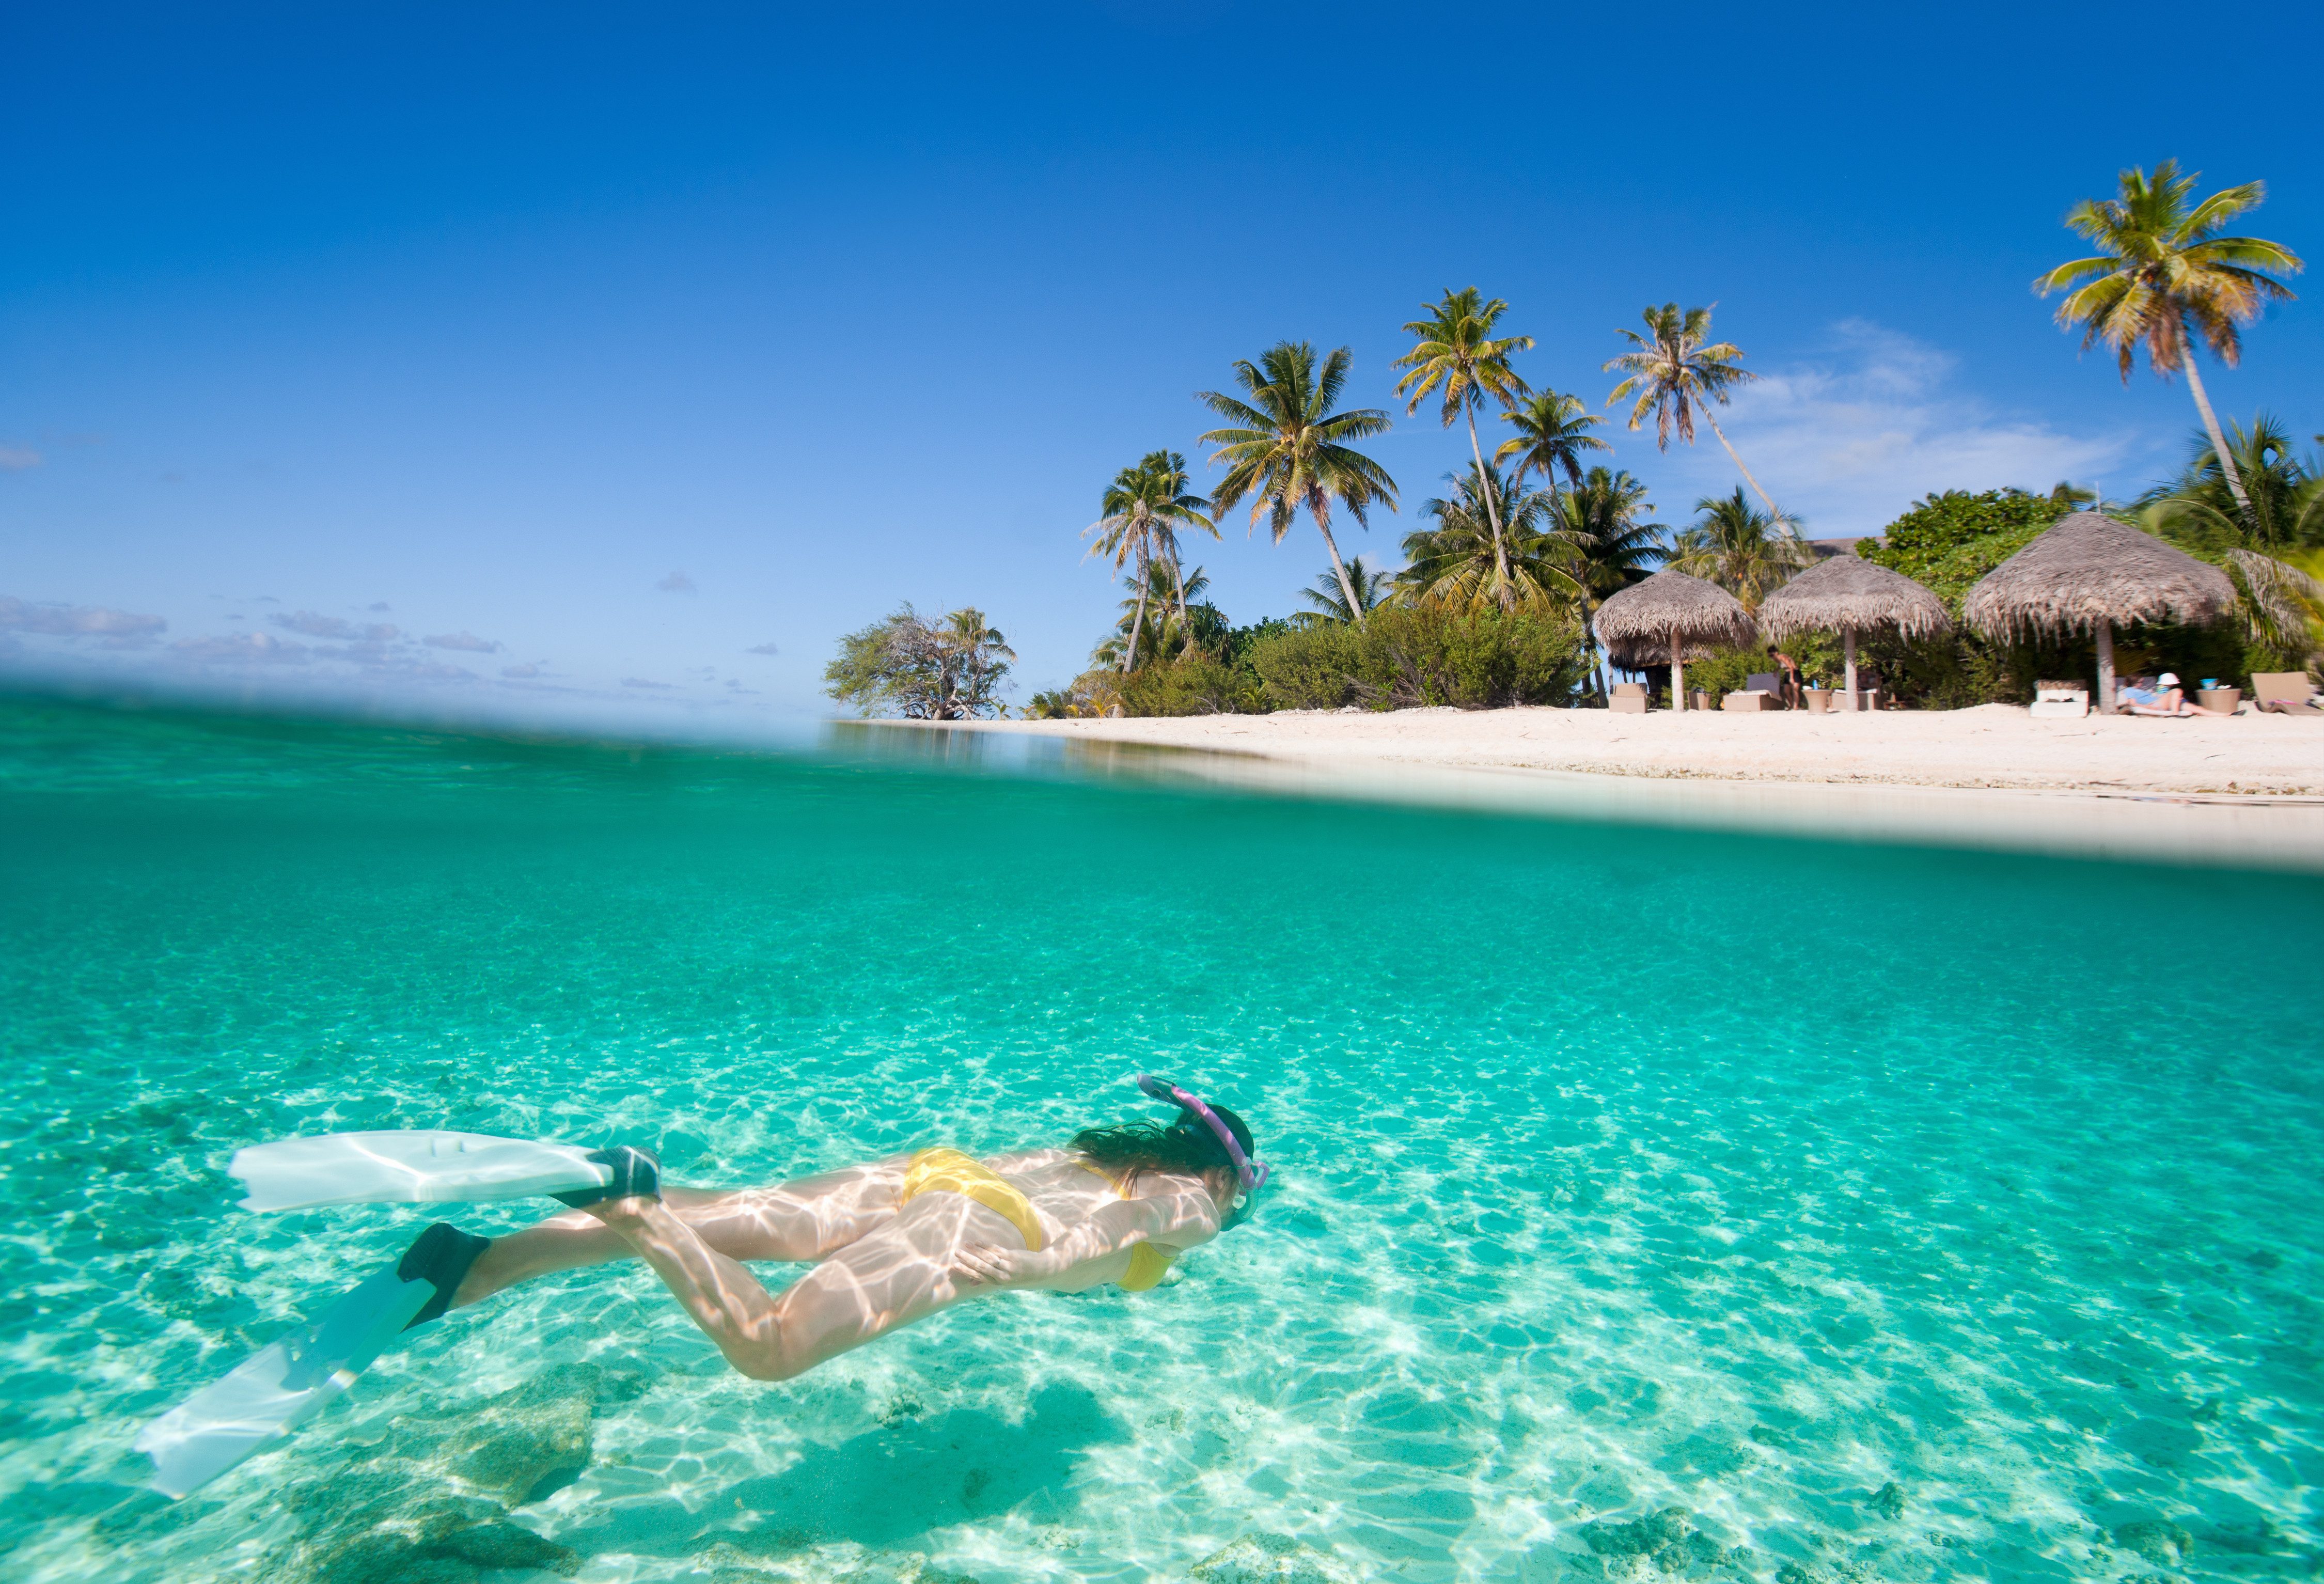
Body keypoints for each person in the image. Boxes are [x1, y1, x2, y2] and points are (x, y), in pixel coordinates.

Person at [396, 1075, 1267, 1382]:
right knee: (771, 1347)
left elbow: (1084, 1195)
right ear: (1224, 1172)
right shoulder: (1198, 1199)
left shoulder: (1093, 1149)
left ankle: (477, 1267)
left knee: (722, 1217)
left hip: (936, 1172)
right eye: (1238, 1192)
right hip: (978, 1219)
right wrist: (1015, 1270)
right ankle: (631, 1205)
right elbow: (1124, 1228)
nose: (1228, 1207)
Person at [2122, 671, 2230, 717]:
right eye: (2141, 682)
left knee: (2197, 708)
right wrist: (2148, 707)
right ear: (2135, 682)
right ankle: (2175, 713)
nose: (2142, 683)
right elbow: (2133, 704)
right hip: (2156, 705)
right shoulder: (2130, 690)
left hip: (2160, 702)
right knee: (2177, 691)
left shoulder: (2141, 690)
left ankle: (2227, 715)